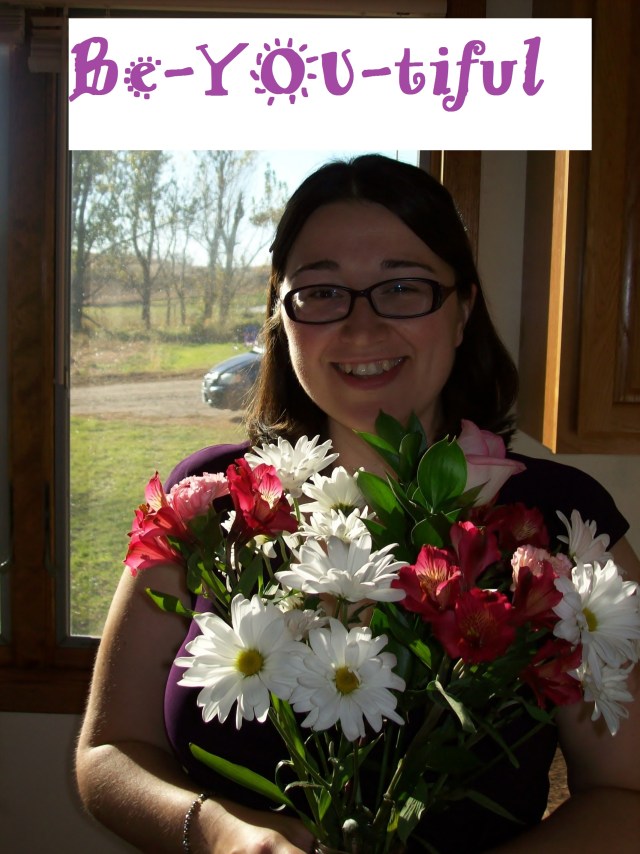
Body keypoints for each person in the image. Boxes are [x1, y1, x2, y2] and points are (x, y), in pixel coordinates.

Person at [75, 155, 640, 853]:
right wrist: (218, 833)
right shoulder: (205, 506)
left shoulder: (561, 527)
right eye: (321, 292)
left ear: (462, 310)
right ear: (281, 318)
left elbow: (625, 793)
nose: (361, 327)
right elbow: (109, 752)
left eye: (402, 287)